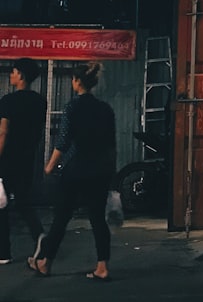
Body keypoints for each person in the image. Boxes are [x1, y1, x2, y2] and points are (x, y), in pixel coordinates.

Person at [29, 62, 116, 281]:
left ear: (77, 82)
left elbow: (63, 142)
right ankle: (102, 266)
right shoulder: (105, 109)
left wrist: (49, 166)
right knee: (98, 219)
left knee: (61, 217)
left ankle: (45, 262)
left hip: (76, 170)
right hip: (100, 171)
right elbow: (111, 145)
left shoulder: (72, 107)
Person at [0, 58, 46, 266]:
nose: (11, 75)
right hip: (28, 159)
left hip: (7, 159)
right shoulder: (40, 102)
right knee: (23, 201)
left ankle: (3, 252)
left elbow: (3, 133)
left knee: (1, 205)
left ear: (21, 76)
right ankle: (39, 234)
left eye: (14, 72)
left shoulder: (8, 102)